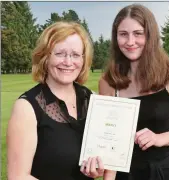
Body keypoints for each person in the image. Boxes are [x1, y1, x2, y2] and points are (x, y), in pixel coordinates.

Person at [98, 4, 169, 180]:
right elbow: (110, 140)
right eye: (123, 34)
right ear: (116, 38)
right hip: (125, 174)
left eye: (138, 33)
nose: (130, 42)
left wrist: (159, 138)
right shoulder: (108, 82)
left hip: (165, 171)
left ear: (150, 35)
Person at [7, 21, 112, 180]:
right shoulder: (26, 108)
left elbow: (107, 155)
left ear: (84, 60)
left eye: (75, 55)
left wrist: (98, 169)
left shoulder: (91, 99)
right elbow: (18, 176)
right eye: (60, 53)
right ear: (45, 57)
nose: (68, 62)